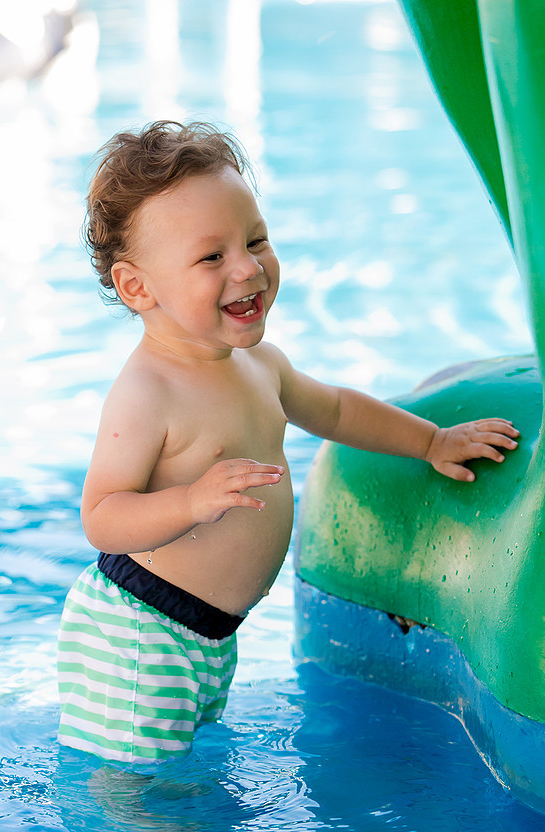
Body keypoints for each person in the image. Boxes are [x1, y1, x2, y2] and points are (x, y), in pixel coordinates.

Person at [57, 120, 519, 770]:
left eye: (255, 240)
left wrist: (431, 442)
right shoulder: (148, 393)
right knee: (139, 799)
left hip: (206, 632)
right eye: (211, 257)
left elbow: (332, 408)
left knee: (185, 780)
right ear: (139, 288)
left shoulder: (260, 365)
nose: (248, 268)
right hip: (139, 636)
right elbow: (102, 518)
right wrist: (190, 501)